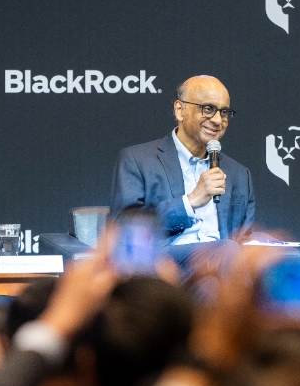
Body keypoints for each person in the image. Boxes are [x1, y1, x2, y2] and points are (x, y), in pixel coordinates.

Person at [110, 75, 256, 270]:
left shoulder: (238, 174)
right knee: (227, 251)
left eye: (224, 112)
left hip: (222, 271)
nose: (217, 120)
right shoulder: (137, 160)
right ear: (180, 110)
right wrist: (191, 201)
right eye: (208, 109)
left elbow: (244, 238)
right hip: (164, 267)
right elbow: (125, 231)